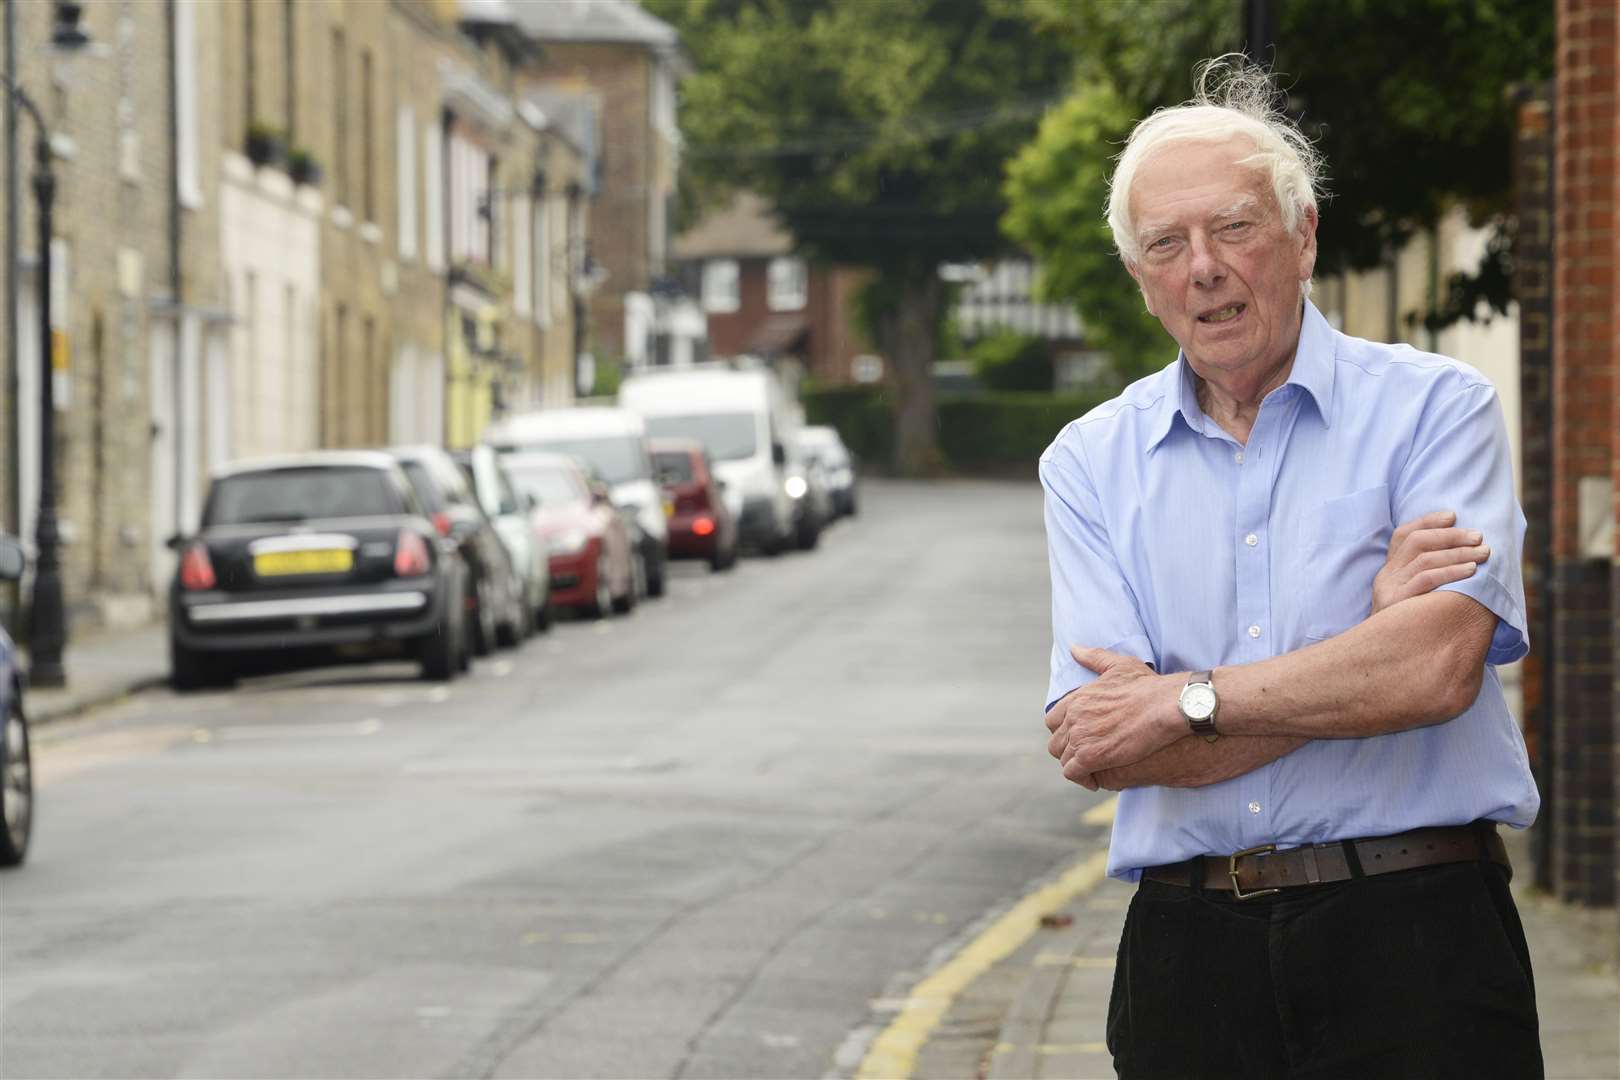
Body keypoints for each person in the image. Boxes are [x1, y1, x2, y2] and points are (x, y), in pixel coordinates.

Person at [1039, 57, 1541, 1079]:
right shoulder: (1088, 461)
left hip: (1419, 938)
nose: (1204, 267)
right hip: (1188, 959)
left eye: (1233, 227)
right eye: (1165, 245)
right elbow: (1103, 746)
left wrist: (1180, 700)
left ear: (1303, 235)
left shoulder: (1437, 412)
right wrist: (1363, 647)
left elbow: (1434, 673)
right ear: (1140, 279)